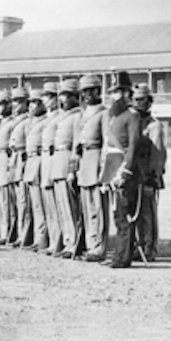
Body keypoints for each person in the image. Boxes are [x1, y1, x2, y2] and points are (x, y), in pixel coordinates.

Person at [100, 71, 144, 268]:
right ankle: (119, 254)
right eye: (113, 92)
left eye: (118, 91)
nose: (114, 96)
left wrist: (123, 173)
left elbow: (133, 146)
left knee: (125, 216)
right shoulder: (114, 116)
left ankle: (123, 257)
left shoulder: (132, 116)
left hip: (125, 172)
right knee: (117, 216)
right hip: (113, 168)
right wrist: (107, 176)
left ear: (127, 93)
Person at [75, 74, 107, 261]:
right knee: (87, 208)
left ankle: (99, 248)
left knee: (97, 208)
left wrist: (104, 169)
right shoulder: (83, 113)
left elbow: (106, 143)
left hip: (95, 161)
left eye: (90, 90)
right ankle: (90, 245)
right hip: (85, 160)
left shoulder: (103, 113)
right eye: (84, 91)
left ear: (97, 91)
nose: (87, 95)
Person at [50, 79, 83, 259]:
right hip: (57, 161)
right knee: (62, 207)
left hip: (66, 163)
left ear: (74, 97)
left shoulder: (78, 116)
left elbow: (76, 145)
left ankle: (73, 244)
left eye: (67, 95)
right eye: (62, 95)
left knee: (70, 208)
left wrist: (73, 169)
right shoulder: (63, 117)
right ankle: (67, 241)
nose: (63, 99)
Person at [133, 83, 165, 262]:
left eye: (141, 100)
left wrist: (153, 179)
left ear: (149, 102)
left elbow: (158, 155)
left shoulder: (155, 126)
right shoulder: (135, 124)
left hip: (147, 176)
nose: (137, 103)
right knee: (137, 214)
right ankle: (140, 246)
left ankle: (150, 248)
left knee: (148, 214)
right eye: (135, 100)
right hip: (135, 174)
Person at [21, 89, 48, 251]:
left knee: (40, 204)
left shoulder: (46, 121)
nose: (32, 106)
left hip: (39, 161)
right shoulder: (30, 122)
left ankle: (42, 238)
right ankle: (36, 237)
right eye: (30, 103)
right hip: (30, 161)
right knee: (33, 204)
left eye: (36, 103)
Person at [39, 82, 63, 255]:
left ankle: (59, 242)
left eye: (49, 96)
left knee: (56, 205)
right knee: (48, 205)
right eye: (45, 96)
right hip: (44, 160)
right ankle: (52, 241)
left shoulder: (60, 117)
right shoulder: (46, 119)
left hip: (54, 160)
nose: (46, 100)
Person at [7, 88, 31, 248]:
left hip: (23, 160)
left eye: (20, 101)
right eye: (14, 101)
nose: (16, 104)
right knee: (16, 200)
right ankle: (18, 233)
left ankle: (25, 235)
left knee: (24, 200)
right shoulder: (13, 120)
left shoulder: (28, 120)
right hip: (14, 161)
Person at [0, 90, 15, 245]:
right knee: (1, 199)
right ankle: (2, 231)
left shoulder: (13, 122)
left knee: (8, 200)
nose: (0, 107)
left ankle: (8, 233)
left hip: (7, 161)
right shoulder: (0, 123)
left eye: (3, 104)